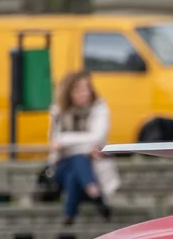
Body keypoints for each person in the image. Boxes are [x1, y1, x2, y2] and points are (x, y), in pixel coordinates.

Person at [47, 70, 120, 226]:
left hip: (89, 167)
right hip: (62, 165)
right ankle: (94, 193)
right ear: (68, 91)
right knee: (78, 160)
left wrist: (67, 142)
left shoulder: (99, 107)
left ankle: (69, 219)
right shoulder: (58, 111)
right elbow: (55, 139)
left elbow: (97, 137)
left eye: (86, 88)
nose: (83, 93)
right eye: (78, 89)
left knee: (74, 172)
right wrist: (85, 146)